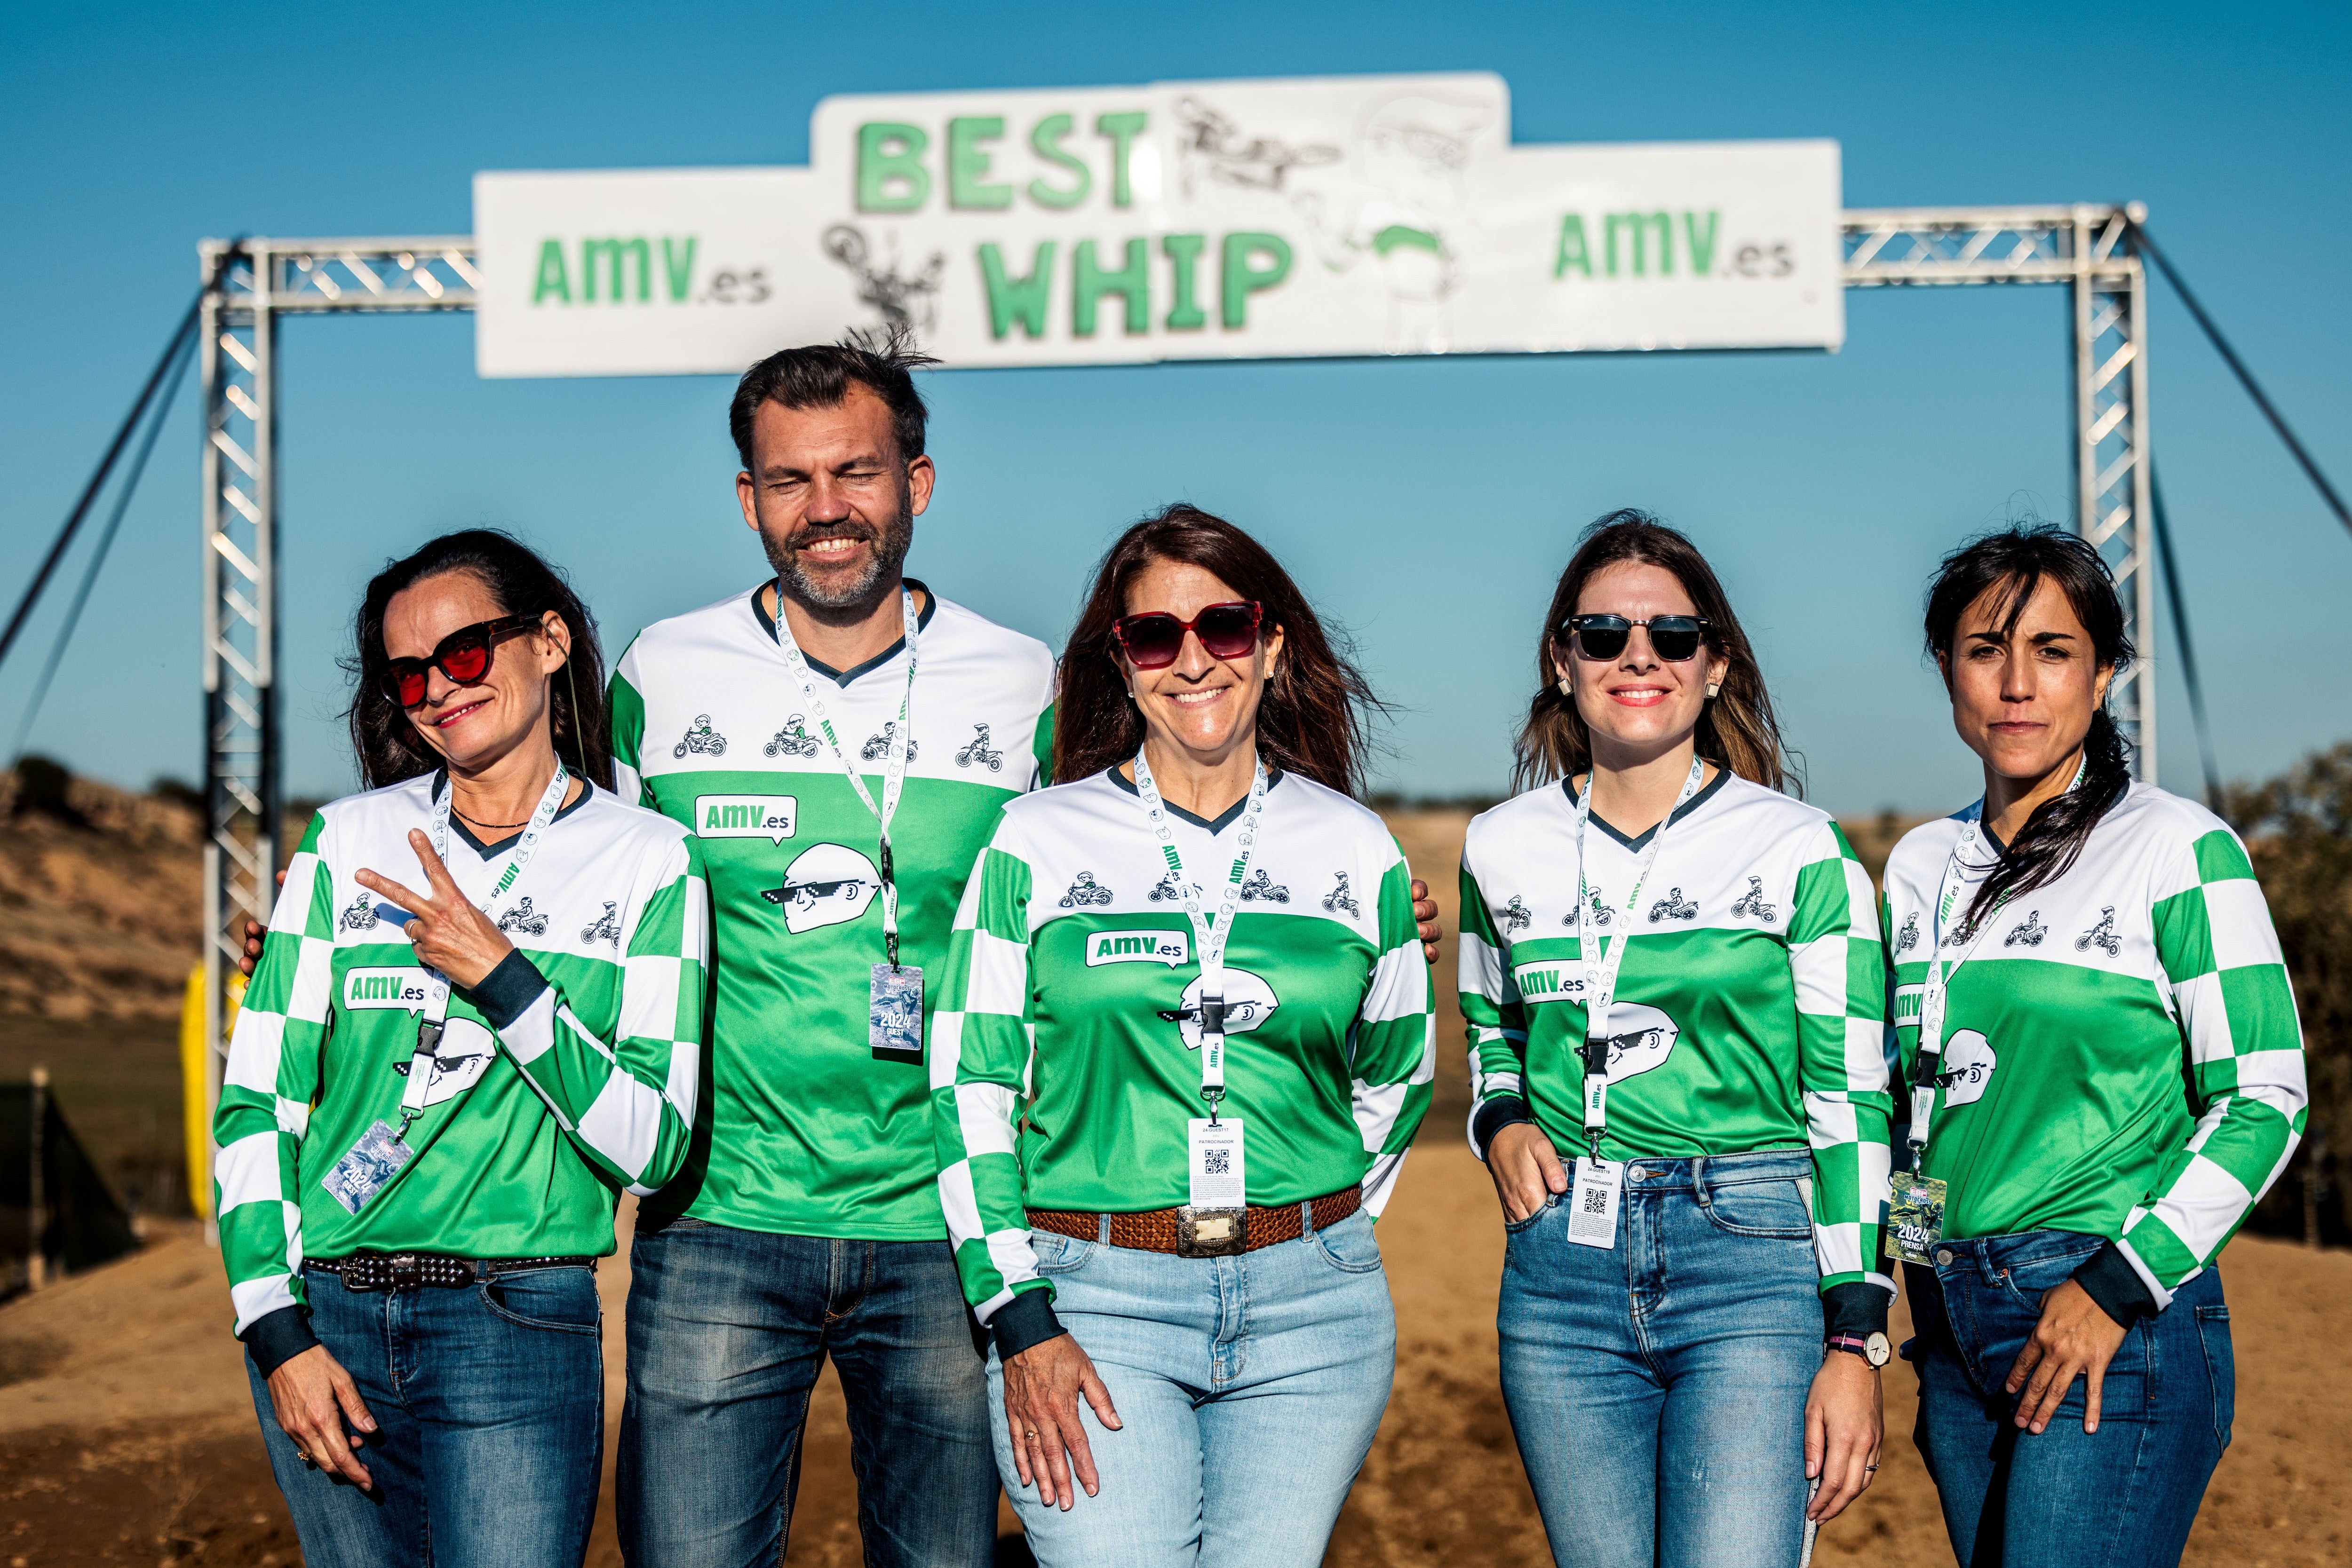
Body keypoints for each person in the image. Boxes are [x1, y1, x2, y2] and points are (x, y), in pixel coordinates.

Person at [933, 504, 1437, 1566]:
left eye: (1225, 625)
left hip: (1313, 1311)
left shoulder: (1355, 846)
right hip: (1090, 1295)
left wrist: (1319, 1220)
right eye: (1155, 636)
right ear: (1122, 664)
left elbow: (1394, 1073)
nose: (1193, 659)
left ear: (1272, 644)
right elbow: (971, 1088)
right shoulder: (1033, 838)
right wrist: (1017, 1312)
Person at [214, 530, 707, 1568]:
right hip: (326, 1320)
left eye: (467, 652)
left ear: (550, 641)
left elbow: (653, 1145)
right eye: (410, 673)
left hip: (517, 1321)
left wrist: (507, 980)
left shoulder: (648, 858)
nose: (439, 686)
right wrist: (275, 1332)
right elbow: (258, 1098)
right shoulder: (347, 840)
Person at [1457, 510, 1894, 1568]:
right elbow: (1489, 1027)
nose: (1636, 655)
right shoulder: (1499, 844)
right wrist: (1501, 1115)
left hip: (1749, 1254)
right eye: (1601, 634)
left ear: (1716, 663)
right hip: (1560, 1267)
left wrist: (1855, 1333)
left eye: (1671, 634)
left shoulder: (1801, 847)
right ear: (1562, 663)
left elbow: (1850, 1097)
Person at [1883, 523, 2305, 1565]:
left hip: (2108, 1315)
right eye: (1985, 650)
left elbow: (2265, 1096)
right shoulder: (1916, 864)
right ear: (1946, 667)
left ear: (2105, 672)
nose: (2016, 684)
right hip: (1951, 1325)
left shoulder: (2175, 846)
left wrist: (2118, 1284)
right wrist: (1914, 1284)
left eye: (2053, 650)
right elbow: (1907, 1109)